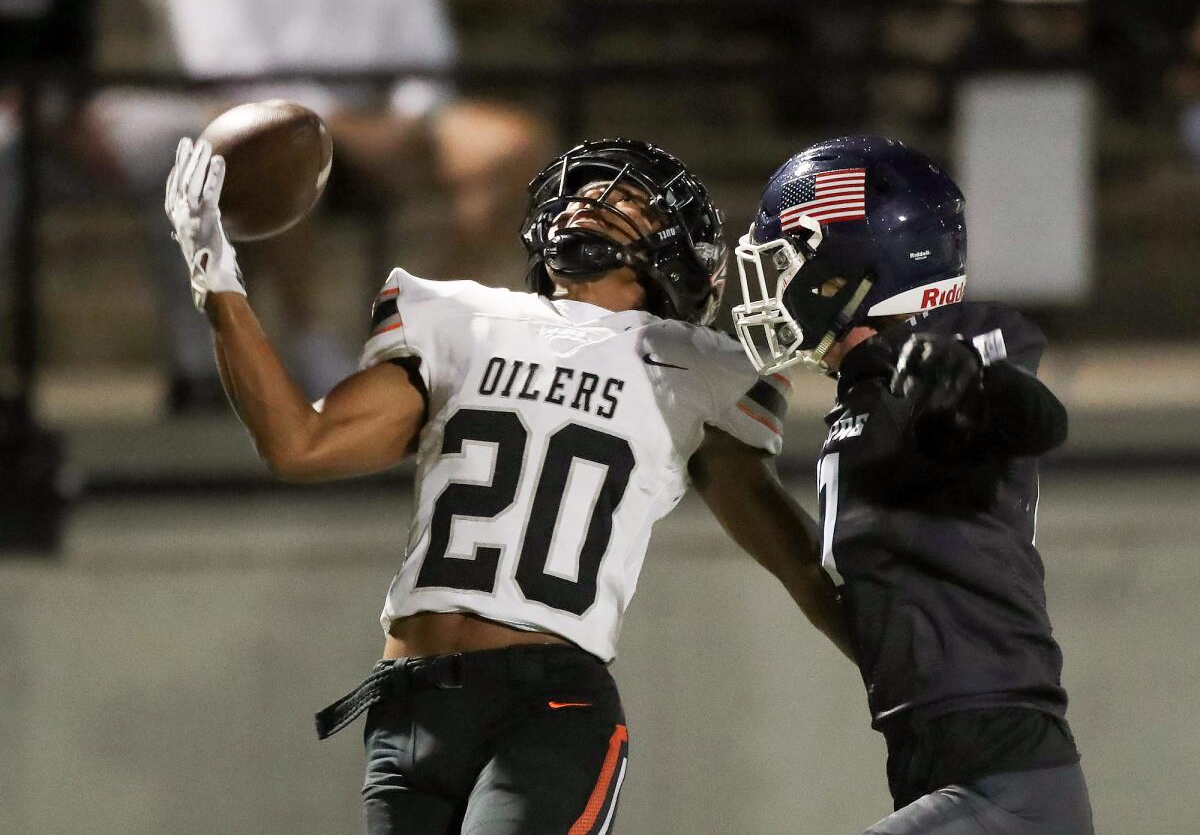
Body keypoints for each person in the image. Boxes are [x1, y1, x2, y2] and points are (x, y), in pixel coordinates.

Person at [164, 135, 849, 834]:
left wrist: (910, 680)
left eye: (628, 198)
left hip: (547, 709)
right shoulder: (460, 318)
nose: (592, 199)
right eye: (583, 190)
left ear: (677, 259)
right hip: (407, 708)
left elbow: (795, 559)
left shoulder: (698, 368)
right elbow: (298, 444)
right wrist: (217, 278)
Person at [730, 135, 1093, 834]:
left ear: (849, 263)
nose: (775, 283)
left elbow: (1036, 418)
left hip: (1005, 779)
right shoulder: (867, 390)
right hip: (942, 769)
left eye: (790, 259)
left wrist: (969, 382)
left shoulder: (958, 345)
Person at [97, 0, 547, 407]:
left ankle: (429, 333)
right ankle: (307, 339)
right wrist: (336, 123)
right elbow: (228, 72)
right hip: (281, 127)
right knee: (282, 142)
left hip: (390, 125)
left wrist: (407, 119)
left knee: (510, 146)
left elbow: (427, 57)